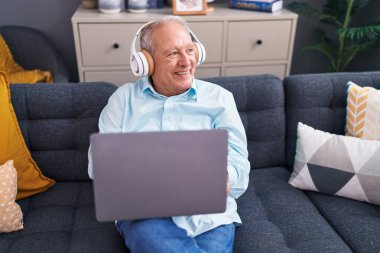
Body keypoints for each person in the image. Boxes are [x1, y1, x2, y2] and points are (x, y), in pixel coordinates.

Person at [88, 15, 250, 253]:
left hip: (210, 219)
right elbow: (99, 168)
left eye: (190, 50)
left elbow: (239, 163)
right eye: (173, 54)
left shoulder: (220, 99)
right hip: (143, 215)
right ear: (146, 61)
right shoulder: (123, 100)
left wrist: (225, 178)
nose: (186, 62)